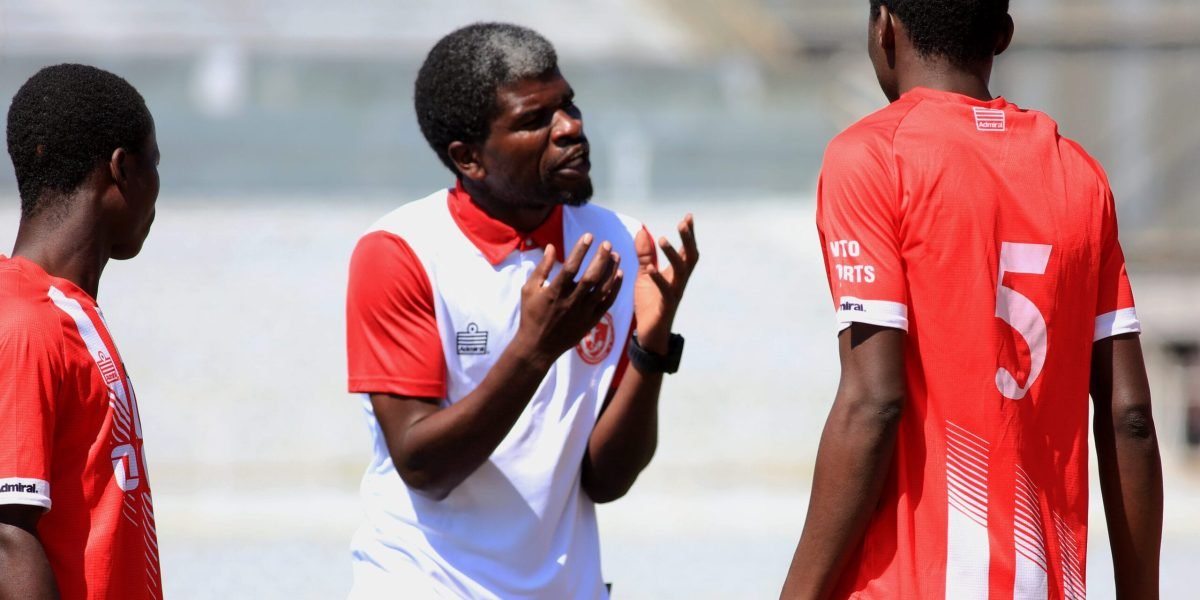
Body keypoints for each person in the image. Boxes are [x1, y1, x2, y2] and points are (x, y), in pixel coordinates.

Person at [780, 2, 1162, 599]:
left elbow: (873, 402)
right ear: (1003, 35)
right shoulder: (1081, 175)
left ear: (884, 28)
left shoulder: (873, 158)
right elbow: (1129, 417)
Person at [344, 22, 698, 599]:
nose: (571, 130)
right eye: (536, 121)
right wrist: (535, 349)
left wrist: (650, 350)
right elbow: (423, 467)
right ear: (469, 158)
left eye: (568, 105)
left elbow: (605, 480)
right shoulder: (400, 253)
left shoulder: (621, 244)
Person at [0, 64, 162, 599]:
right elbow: (7, 536)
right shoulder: (24, 319)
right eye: (154, 164)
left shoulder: (68, 310)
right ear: (122, 169)